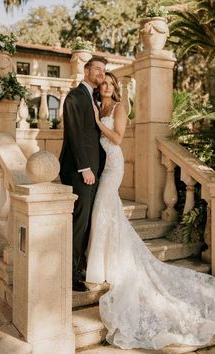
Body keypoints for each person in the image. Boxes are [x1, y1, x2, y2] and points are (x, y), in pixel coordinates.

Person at [86, 72, 215, 350]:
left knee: (104, 209)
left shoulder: (119, 108)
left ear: (115, 88)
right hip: (101, 165)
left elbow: (118, 139)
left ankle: (108, 265)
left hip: (114, 165)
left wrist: (98, 123)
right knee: (106, 213)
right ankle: (103, 262)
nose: (106, 87)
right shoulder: (100, 106)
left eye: (110, 83)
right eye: (103, 84)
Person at [59, 56, 107, 292]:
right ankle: (71, 276)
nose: (101, 73)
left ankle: (81, 267)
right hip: (81, 170)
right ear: (86, 71)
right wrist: (84, 168)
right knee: (80, 222)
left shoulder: (94, 97)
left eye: (103, 70)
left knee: (87, 221)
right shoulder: (75, 96)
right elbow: (76, 133)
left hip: (93, 169)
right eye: (97, 68)